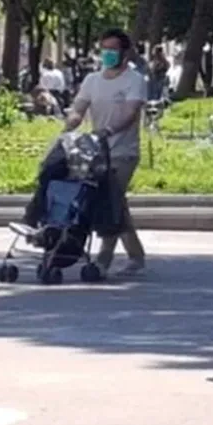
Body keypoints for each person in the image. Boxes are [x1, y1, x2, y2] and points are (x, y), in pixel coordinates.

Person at [65, 28, 148, 277]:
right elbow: (79, 107)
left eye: (113, 49)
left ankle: (103, 260)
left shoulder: (135, 80)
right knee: (115, 203)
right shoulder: (93, 80)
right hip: (96, 152)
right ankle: (136, 255)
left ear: (124, 52)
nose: (107, 54)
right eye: (104, 49)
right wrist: (71, 122)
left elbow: (131, 112)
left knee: (109, 200)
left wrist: (109, 130)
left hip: (123, 151)